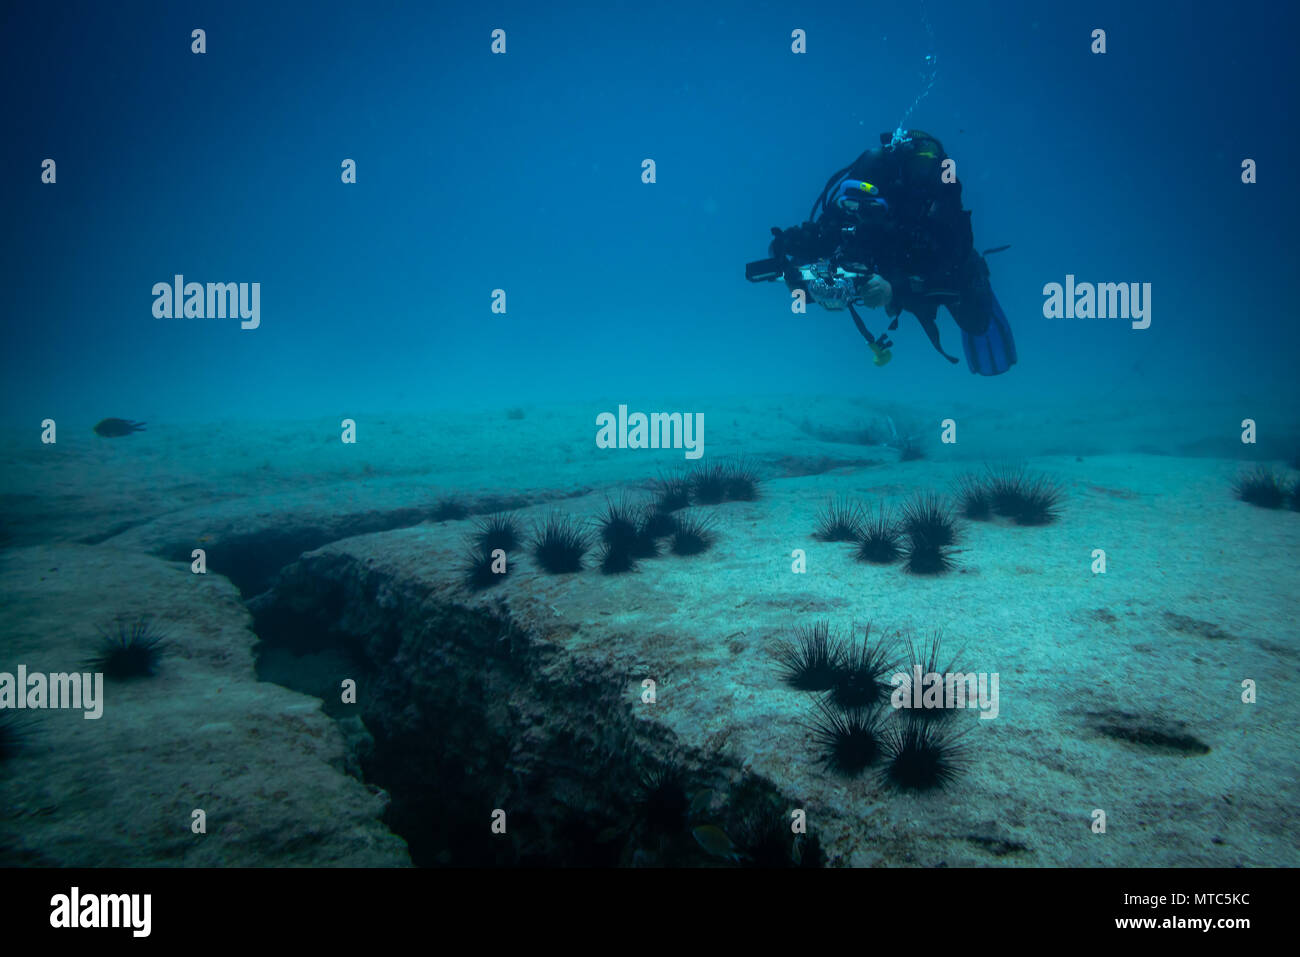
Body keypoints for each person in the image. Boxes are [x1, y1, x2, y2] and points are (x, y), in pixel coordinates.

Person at [745, 129, 1017, 376]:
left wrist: (894, 287)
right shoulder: (846, 213)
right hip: (883, 274)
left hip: (932, 271)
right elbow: (815, 240)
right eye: (851, 205)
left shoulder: (921, 216)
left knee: (976, 323)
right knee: (810, 286)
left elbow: (949, 255)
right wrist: (786, 251)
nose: (858, 216)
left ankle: (978, 277)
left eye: (869, 208)